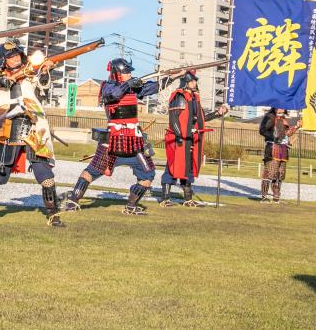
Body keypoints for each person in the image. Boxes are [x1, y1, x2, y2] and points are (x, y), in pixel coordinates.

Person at [61, 59, 174, 216]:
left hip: (134, 143)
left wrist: (173, 77)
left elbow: (153, 87)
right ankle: (73, 202)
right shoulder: (107, 87)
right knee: (91, 172)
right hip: (113, 143)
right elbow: (114, 94)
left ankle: (131, 206)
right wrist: (129, 84)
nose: (130, 74)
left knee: (148, 174)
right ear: (118, 74)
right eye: (127, 72)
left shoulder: (133, 88)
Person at [0, 39, 64, 227]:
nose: (14, 58)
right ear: (4, 60)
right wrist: (3, 80)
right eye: (10, 56)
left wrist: (45, 71)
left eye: (16, 54)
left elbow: (43, 89)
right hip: (6, 126)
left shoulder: (32, 71)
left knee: (43, 173)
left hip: (34, 127)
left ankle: (53, 215)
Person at [160, 71, 229, 207]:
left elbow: (202, 118)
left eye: (195, 81)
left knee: (189, 167)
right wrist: (179, 136)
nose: (194, 83)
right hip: (178, 138)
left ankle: (188, 199)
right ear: (185, 82)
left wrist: (217, 113)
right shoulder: (179, 97)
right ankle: (165, 199)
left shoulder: (194, 98)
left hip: (191, 138)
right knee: (172, 167)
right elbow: (173, 119)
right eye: (192, 81)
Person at [258, 108, 301, 202]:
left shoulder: (284, 119)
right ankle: (264, 196)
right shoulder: (270, 117)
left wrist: (296, 127)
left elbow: (287, 134)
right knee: (270, 172)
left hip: (283, 149)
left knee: (280, 174)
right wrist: (273, 137)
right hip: (273, 147)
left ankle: (276, 195)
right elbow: (262, 130)